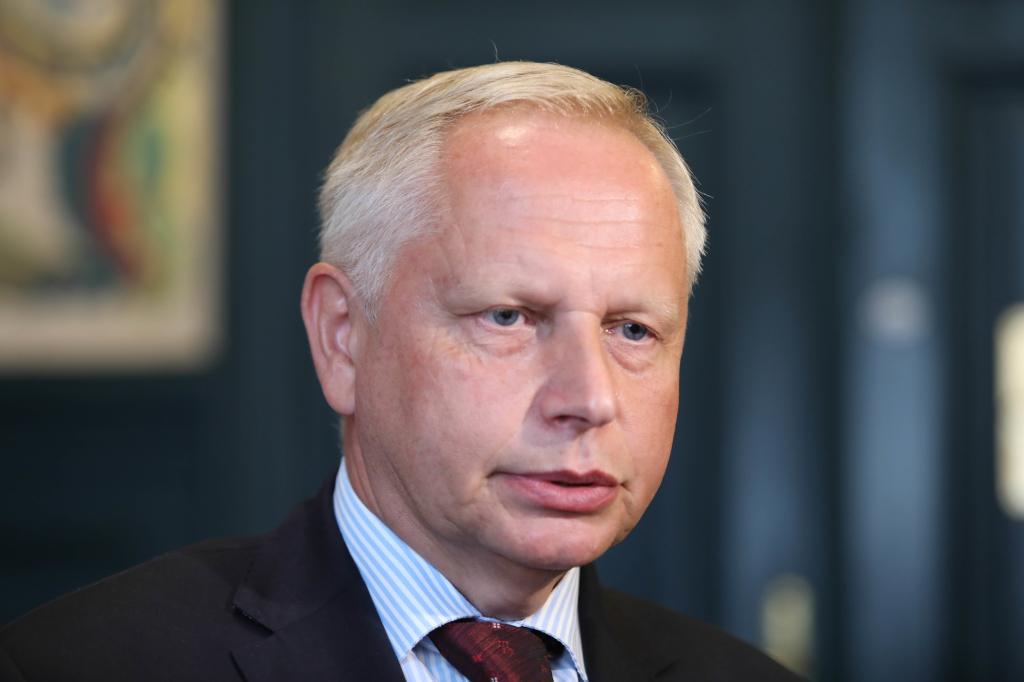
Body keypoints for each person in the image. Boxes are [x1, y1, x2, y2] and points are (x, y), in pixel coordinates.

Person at [0, 62, 800, 682]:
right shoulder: (80, 666)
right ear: (343, 338)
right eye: (510, 317)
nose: (589, 399)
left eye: (632, 330)